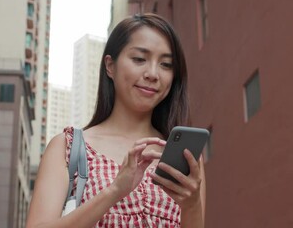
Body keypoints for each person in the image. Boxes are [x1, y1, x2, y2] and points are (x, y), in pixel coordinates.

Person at [26, 13, 206, 227]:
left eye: (166, 64)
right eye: (139, 59)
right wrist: (114, 191)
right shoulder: (69, 147)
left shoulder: (185, 157)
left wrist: (192, 205)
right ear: (110, 66)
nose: (153, 73)